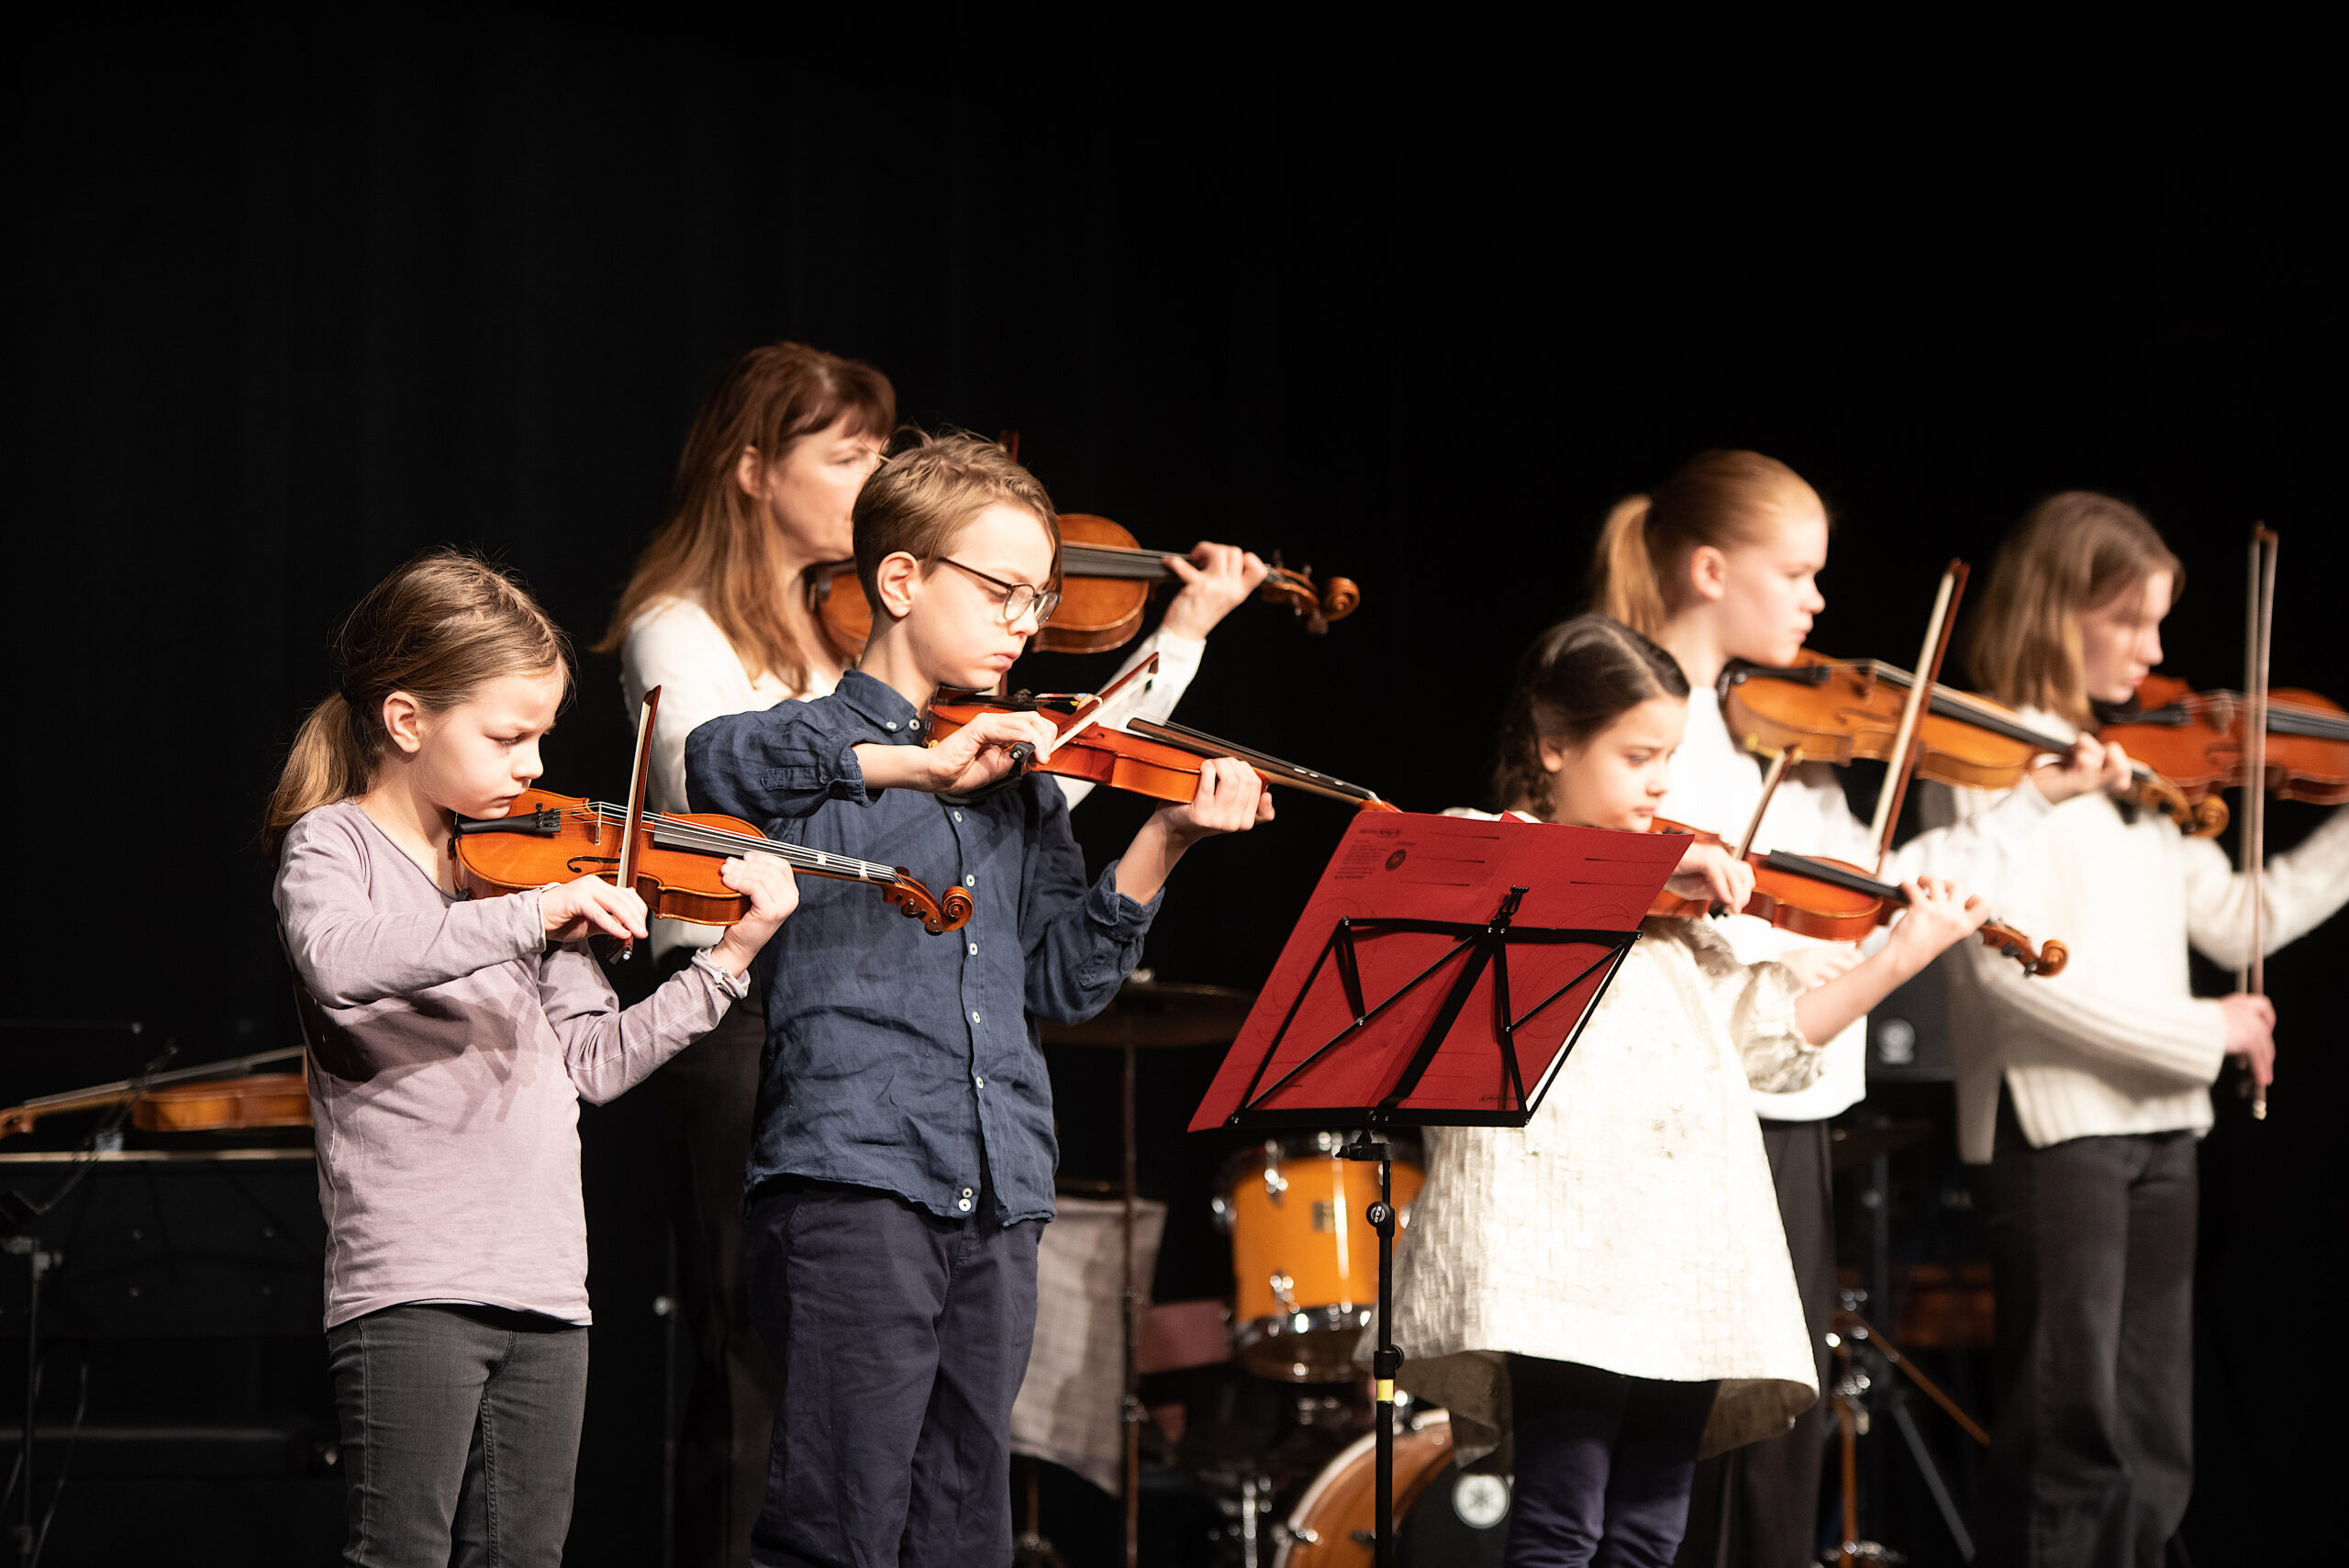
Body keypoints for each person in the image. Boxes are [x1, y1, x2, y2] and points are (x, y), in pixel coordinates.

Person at [593, 341, 1269, 1568]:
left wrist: (1162, 840)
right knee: (836, 1525)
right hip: (855, 1175)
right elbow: (714, 765)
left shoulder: (1021, 782)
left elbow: (1063, 982)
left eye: (1038, 600)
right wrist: (916, 763)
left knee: (964, 1528)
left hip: (1000, 1184)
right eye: (1002, 591)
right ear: (900, 578)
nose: (1026, 623)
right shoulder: (805, 742)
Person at [1585, 450, 2120, 1568]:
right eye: (1796, 573)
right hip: (1698, 1121)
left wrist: (2027, 800)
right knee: (1701, 1456)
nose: (1818, 601)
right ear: (1709, 570)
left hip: (1788, 1105)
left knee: (1771, 1444)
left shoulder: (1784, 744)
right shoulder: (1646, 736)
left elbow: (1865, 902)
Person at [1391, 614, 1998, 1566]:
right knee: (1560, 1520)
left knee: (1650, 1530)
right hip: (1564, 1261)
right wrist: (1647, 867)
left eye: (1670, 756)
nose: (1662, 784)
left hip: (1683, 1254)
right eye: (1637, 757)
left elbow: (1772, 1039)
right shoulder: (1491, 851)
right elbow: (1498, 873)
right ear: (1553, 746)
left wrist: (1900, 955)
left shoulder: (1673, 921)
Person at [265, 550, 799, 1568]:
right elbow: (341, 962)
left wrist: (729, 958)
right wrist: (534, 915)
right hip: (413, 1280)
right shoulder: (337, 845)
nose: (534, 766)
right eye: (508, 737)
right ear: (407, 720)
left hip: (550, 1287)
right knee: (402, 1552)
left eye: (542, 737)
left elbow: (593, 1061)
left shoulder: (520, 867)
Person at [1930, 492, 2349, 1567]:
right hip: (2052, 1128)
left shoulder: (2141, 763)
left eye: (2156, 621)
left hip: (2165, 1127)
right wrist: (2202, 1028)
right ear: (2052, 607)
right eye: (2127, 619)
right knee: (2067, 1441)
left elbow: (2240, 917)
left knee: (2157, 1445)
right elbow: (2016, 981)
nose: (2154, 651)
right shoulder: (1980, 754)